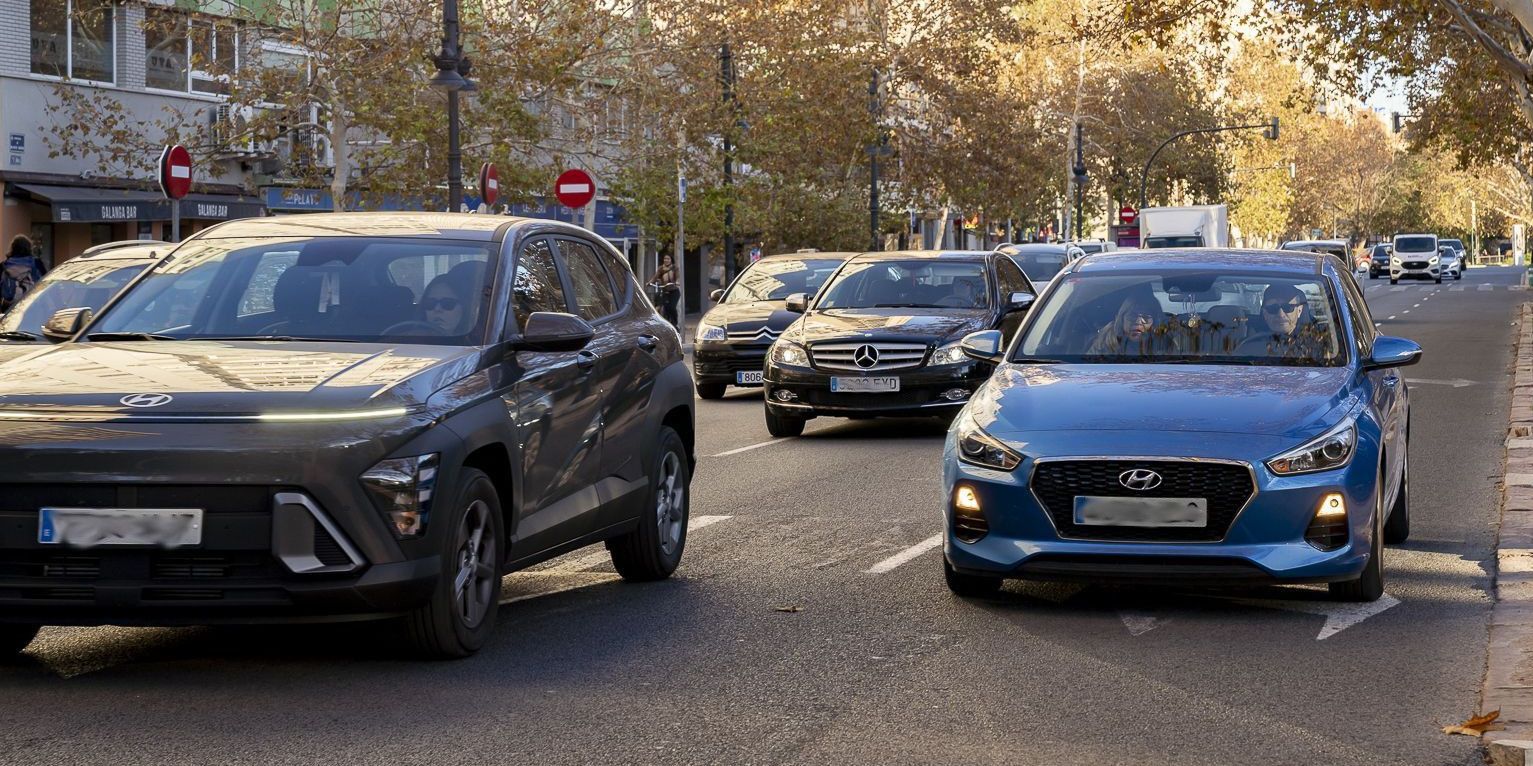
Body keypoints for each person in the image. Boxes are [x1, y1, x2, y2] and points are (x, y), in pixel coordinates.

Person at [1235, 283, 1333, 363]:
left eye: (1287, 307)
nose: (1280, 314)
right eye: (1272, 308)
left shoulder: (1319, 345)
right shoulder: (1247, 347)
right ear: (1264, 314)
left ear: (1299, 311)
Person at [1086, 293, 1164, 357]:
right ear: (1121, 319)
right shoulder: (1104, 342)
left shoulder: (1165, 344)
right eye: (1132, 316)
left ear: (1155, 323)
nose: (1138, 321)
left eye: (1146, 317)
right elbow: (1087, 370)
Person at [1, 235, 46, 314]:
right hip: (31, 305)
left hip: (9, 307)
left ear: (12, 248)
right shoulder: (36, 263)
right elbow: (46, 283)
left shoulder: (4, 265)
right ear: (29, 248)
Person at [650, 254, 679, 326]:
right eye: (665, 258)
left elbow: (678, 276)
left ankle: (675, 323)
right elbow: (655, 277)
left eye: (668, 259)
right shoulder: (661, 268)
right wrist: (650, 282)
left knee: (672, 307)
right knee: (665, 307)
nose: (666, 260)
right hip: (664, 291)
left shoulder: (674, 268)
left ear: (671, 260)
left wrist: (677, 281)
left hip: (674, 291)